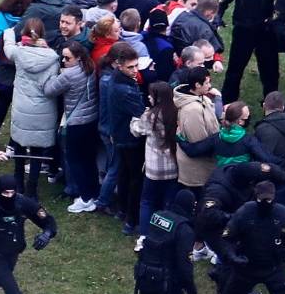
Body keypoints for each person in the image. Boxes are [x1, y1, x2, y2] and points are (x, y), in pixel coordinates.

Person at [3, 19, 60, 199]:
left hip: (22, 106)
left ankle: (18, 181)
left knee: (19, 144)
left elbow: (8, 48)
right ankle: (32, 189)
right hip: (44, 109)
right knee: (37, 150)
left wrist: (9, 32)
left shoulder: (19, 53)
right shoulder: (52, 57)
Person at [133, 189, 198, 294]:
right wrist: (191, 292)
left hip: (144, 277)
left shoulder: (158, 216)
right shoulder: (184, 229)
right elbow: (185, 266)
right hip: (167, 285)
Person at [43, 41, 99, 213]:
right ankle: (93, 192)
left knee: (75, 161)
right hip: (91, 119)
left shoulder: (69, 75)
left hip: (76, 122)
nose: (64, 61)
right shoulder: (90, 67)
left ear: (78, 57)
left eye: (67, 58)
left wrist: (52, 76)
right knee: (88, 160)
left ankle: (85, 198)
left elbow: (49, 90)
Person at [95, 44, 146, 225]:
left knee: (120, 172)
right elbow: (141, 112)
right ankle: (117, 208)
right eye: (130, 67)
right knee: (125, 174)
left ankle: (120, 207)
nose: (135, 70)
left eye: (136, 66)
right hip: (126, 137)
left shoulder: (115, 79)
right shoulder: (122, 88)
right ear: (119, 65)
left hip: (117, 133)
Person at [131, 82, 183, 232]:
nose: (148, 97)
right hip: (173, 166)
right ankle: (167, 232)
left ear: (158, 98)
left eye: (151, 94)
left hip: (154, 169)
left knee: (147, 201)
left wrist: (134, 120)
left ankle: (144, 234)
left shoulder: (150, 116)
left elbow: (137, 130)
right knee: (169, 202)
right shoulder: (176, 112)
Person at [0, 0, 33, 139]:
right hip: (20, 67)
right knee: (19, 106)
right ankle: (16, 142)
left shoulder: (1, 15)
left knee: (3, 100)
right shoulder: (30, 19)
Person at [171, 67, 222, 195]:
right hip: (197, 168)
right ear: (197, 85)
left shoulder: (202, 98)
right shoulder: (192, 110)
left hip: (204, 162)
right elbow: (198, 142)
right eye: (207, 83)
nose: (210, 86)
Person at [253, 92, 285, 170]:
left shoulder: (262, 129)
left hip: (270, 174)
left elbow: (260, 158)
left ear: (264, 106)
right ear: (283, 107)